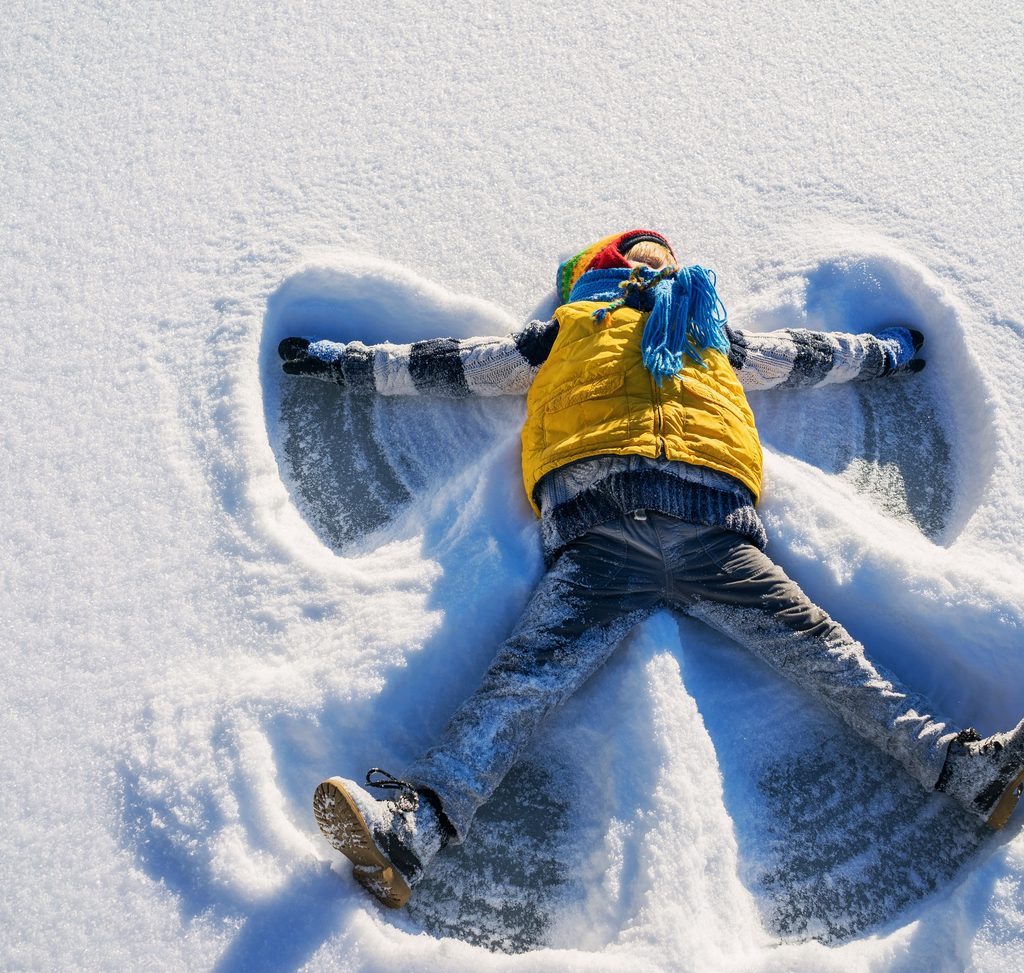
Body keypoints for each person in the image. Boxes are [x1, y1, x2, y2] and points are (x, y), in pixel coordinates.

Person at [279, 230, 1024, 910]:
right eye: (628, 249)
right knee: (523, 680)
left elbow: (805, 355)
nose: (648, 256)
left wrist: (884, 353)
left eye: (657, 248)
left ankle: (968, 770)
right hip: (599, 531)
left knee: (829, 655)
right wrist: (348, 364)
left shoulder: (709, 330)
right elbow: (452, 364)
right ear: (597, 269)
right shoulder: (564, 332)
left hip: (713, 527)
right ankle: (411, 832)